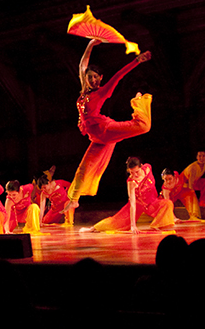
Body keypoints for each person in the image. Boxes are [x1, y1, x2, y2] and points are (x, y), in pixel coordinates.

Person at [62, 39, 153, 214]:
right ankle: (74, 200)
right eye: (90, 77)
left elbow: (118, 75)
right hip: (96, 138)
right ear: (86, 78)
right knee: (83, 168)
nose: (93, 79)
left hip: (106, 130)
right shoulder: (83, 91)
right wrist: (90, 44)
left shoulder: (102, 91)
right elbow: (82, 64)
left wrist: (137, 61)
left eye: (96, 77)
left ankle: (140, 104)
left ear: (101, 79)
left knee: (143, 127)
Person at [81, 157, 175, 234]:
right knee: (115, 222)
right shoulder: (131, 182)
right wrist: (133, 226)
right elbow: (133, 204)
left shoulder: (148, 168)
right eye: (131, 173)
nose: (134, 175)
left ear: (141, 167)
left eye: (137, 172)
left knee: (167, 204)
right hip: (138, 205)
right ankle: (92, 229)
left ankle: (157, 226)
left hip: (153, 202)